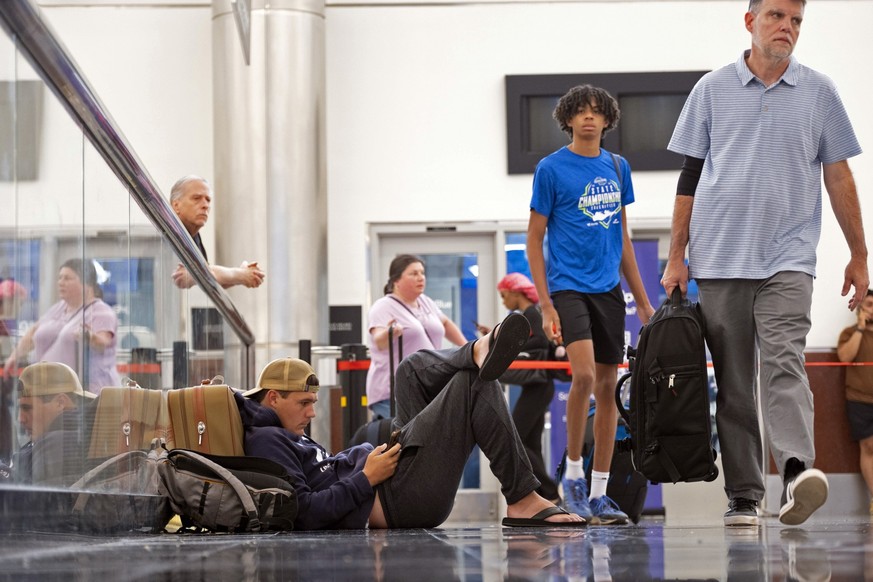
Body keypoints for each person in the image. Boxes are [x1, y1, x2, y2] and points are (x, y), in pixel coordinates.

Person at [661, 0, 868, 527]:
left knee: (784, 361)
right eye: (777, 16)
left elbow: (838, 176)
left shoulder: (819, 91)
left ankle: (797, 472)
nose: (788, 28)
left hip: (790, 255)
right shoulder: (711, 89)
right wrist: (676, 256)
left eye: (796, 20)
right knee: (733, 383)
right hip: (720, 257)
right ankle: (745, 495)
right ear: (750, 21)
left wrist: (859, 254)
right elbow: (689, 177)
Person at [235, 312, 586, 529]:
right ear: (273, 397)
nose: (312, 413)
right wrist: (366, 477)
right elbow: (305, 512)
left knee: (411, 370)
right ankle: (522, 496)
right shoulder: (268, 441)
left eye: (313, 402)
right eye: (304, 403)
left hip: (389, 479)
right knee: (473, 384)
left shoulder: (286, 434)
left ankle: (477, 350)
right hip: (396, 499)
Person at [526, 84, 654, 525]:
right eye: (579, 111)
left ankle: (600, 492)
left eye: (596, 112)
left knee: (608, 390)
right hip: (567, 287)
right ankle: (573, 480)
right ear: (567, 118)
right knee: (581, 376)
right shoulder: (550, 169)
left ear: (606, 120)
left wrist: (644, 302)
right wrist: (545, 305)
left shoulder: (618, 167)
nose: (588, 118)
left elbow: (622, 240)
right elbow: (534, 237)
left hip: (607, 291)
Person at [475, 273, 559, 503]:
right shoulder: (530, 314)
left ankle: (550, 492)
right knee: (530, 443)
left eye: (503, 296)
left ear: (514, 292)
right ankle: (546, 495)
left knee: (517, 439)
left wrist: (505, 340)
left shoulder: (532, 313)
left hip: (539, 386)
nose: (503, 301)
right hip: (538, 386)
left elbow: (539, 342)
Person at [365, 254, 466, 419]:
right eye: (413, 273)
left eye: (422, 273)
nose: (421, 278)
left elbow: (446, 324)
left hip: (425, 388)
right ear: (396, 280)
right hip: (393, 393)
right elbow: (379, 341)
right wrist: (390, 333)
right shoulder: (383, 306)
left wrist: (468, 349)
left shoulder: (425, 301)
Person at [3, 258, 121, 393]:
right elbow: (33, 333)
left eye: (67, 278)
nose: (61, 282)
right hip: (50, 393)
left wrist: (89, 337)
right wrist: (14, 356)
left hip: (88, 394)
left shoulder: (101, 312)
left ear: (86, 283)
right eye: (60, 278)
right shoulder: (58, 308)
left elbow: (103, 341)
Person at [169, 175, 266, 290]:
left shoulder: (193, 236)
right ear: (176, 205)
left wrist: (242, 275)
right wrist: (240, 275)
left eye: (208, 200)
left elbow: (209, 279)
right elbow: (188, 276)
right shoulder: (170, 231)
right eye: (196, 198)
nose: (205, 205)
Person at [10, 361, 97, 486]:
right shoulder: (70, 437)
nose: (21, 419)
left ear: (60, 403)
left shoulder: (59, 442)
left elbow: (37, 501)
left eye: (28, 408)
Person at [836, 289, 873, 516]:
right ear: (860, 307)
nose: (872, 308)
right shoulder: (849, 333)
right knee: (868, 447)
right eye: (868, 304)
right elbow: (845, 358)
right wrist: (860, 327)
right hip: (859, 400)